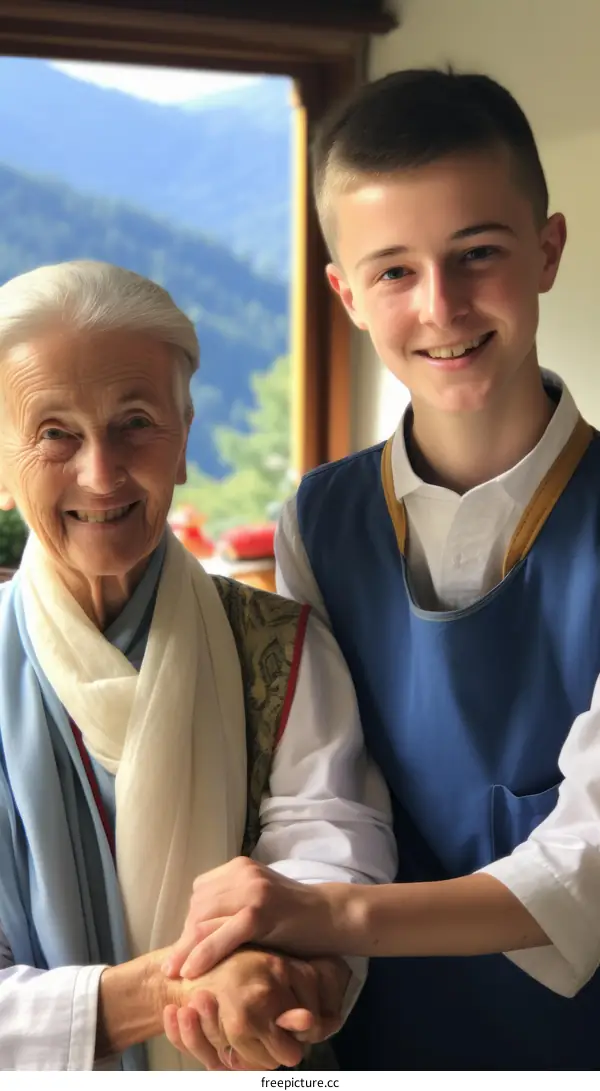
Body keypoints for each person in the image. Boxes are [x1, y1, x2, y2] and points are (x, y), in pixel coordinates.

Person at [165, 69, 600, 1071]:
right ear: (345, 294)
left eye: (477, 254)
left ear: (547, 250)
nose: (440, 306)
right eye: (395, 271)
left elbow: (584, 865)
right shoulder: (318, 518)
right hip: (373, 1030)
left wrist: (329, 911)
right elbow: (333, 793)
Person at [0, 259, 397, 1071]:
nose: (101, 472)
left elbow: (334, 857)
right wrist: (180, 991)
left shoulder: (281, 648)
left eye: (136, 421)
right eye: (54, 432)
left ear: (184, 440)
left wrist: (279, 970)